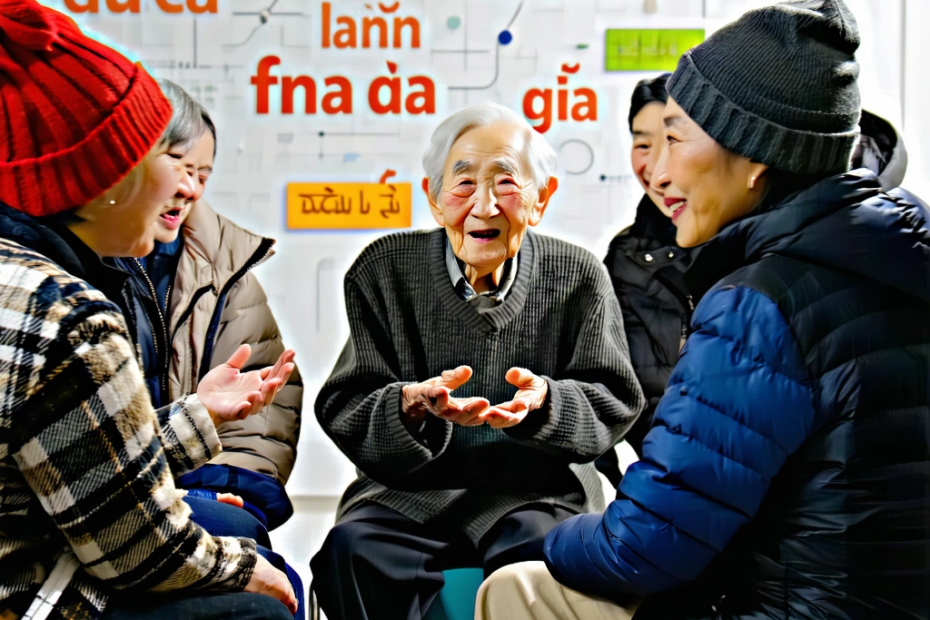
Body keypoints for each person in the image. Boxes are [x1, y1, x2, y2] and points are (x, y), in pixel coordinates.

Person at [476, 1, 930, 618]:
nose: (657, 171)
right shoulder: (901, 254)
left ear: (754, 157)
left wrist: (544, 540)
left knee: (517, 586)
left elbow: (644, 545)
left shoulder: (758, 303)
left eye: (675, 138)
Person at [0, 2, 298, 618]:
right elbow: (131, 548)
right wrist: (248, 574)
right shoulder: (69, 317)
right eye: (165, 163)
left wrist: (198, 416)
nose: (185, 190)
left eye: (202, 174)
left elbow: (79, 456)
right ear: (107, 179)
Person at [310, 101, 646, 620]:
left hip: (536, 491)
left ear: (541, 199)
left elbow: (616, 400)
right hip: (406, 494)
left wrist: (547, 403)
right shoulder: (383, 270)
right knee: (351, 552)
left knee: (545, 560)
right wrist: (407, 407)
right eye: (463, 183)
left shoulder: (577, 275)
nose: (484, 205)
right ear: (434, 199)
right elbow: (345, 403)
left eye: (506, 182)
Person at [104, 80, 302, 537]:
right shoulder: (59, 272)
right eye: (177, 164)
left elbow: (264, 415)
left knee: (252, 556)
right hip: (96, 500)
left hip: (197, 489)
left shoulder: (227, 272)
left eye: (204, 174)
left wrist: (220, 490)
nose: (190, 188)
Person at [602, 73, 691, 472]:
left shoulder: (754, 245)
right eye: (642, 144)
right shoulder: (624, 257)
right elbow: (616, 393)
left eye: (673, 141)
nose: (656, 169)